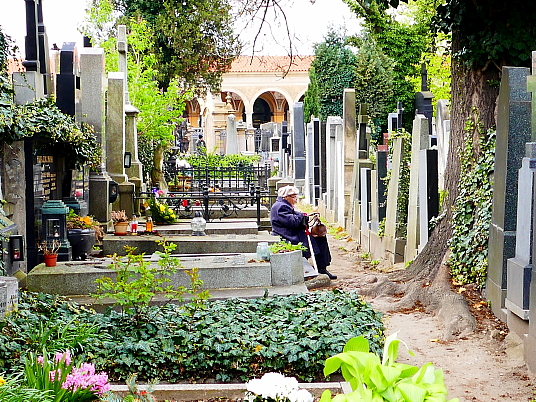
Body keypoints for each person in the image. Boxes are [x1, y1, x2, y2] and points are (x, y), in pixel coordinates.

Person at [270, 185, 336, 279]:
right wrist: (301, 215)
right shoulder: (282, 207)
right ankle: (321, 269)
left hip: (292, 233)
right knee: (319, 241)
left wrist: (301, 215)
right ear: (286, 197)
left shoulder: (283, 205)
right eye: (294, 197)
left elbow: (294, 216)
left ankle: (322, 267)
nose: (296, 199)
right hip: (288, 236)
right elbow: (292, 222)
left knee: (320, 238)